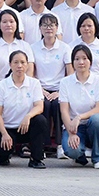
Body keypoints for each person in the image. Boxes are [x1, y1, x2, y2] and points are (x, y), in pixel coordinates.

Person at [0, 50, 48, 168]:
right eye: (16, 62)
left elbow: (39, 106)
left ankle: (36, 159)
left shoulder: (34, 83)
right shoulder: (1, 86)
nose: (19, 66)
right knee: (3, 151)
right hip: (8, 128)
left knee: (40, 120)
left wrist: (28, 116)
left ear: (27, 64)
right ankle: (4, 156)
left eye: (22, 62)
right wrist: (4, 133)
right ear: (10, 65)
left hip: (26, 127)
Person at [59, 45, 99, 168]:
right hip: (74, 126)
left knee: (97, 119)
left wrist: (79, 117)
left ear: (90, 62)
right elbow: (64, 111)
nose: (81, 62)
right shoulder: (65, 82)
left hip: (92, 124)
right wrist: (71, 133)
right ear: (72, 62)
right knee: (72, 150)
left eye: (84, 58)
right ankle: (79, 157)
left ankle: (97, 157)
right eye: (77, 59)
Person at [29, 13, 69, 156]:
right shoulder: (33, 48)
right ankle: (43, 144)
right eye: (45, 25)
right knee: (44, 105)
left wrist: (60, 92)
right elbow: (31, 74)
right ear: (40, 28)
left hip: (60, 88)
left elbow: (70, 74)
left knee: (58, 105)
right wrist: (41, 91)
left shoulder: (65, 48)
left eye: (52, 25)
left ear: (57, 28)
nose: (48, 28)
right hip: (40, 88)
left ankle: (60, 144)